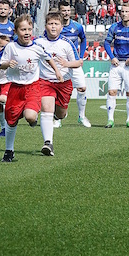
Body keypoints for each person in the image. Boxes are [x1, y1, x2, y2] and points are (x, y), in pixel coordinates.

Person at [0, 15, 63, 163]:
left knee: (30, 116)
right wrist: (8, 63)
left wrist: (57, 71)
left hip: (32, 88)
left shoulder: (36, 48)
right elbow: (1, 64)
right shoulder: (11, 47)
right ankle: (9, 151)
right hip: (15, 88)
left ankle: (29, 114)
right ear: (16, 31)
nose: (27, 32)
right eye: (23, 29)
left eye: (29, 29)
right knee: (11, 122)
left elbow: (48, 58)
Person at [35, 12, 81, 156]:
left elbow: (79, 62)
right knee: (46, 110)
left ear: (61, 27)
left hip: (64, 83)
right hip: (45, 81)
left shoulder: (67, 43)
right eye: (50, 23)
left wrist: (67, 64)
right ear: (46, 26)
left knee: (61, 114)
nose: (53, 27)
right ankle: (48, 143)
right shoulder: (39, 43)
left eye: (56, 24)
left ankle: (58, 116)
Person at [59, 1, 91, 127]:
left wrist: (81, 56)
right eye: (63, 10)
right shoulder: (56, 26)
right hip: (60, 64)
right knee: (59, 90)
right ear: (59, 11)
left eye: (68, 10)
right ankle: (57, 118)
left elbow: (83, 39)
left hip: (74, 63)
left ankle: (81, 117)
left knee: (82, 88)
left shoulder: (77, 26)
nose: (66, 13)